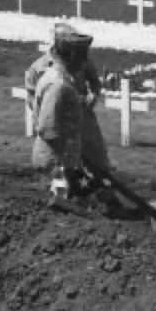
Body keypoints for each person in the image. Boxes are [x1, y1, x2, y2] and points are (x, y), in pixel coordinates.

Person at [26, 23, 109, 171]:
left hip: (80, 117)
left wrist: (92, 96)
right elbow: (48, 125)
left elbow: (94, 81)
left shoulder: (70, 70)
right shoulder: (50, 77)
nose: (83, 61)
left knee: (98, 159)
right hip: (62, 138)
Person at [32, 28, 91, 195]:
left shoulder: (60, 79)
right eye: (82, 56)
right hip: (55, 162)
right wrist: (63, 168)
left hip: (62, 160)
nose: (85, 61)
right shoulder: (57, 84)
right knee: (61, 207)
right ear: (72, 56)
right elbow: (48, 128)